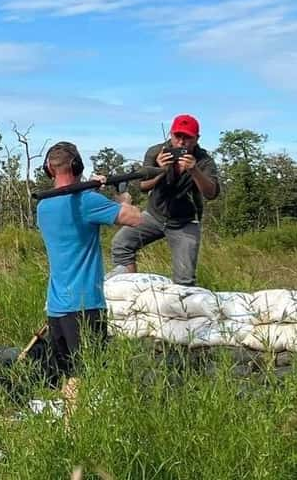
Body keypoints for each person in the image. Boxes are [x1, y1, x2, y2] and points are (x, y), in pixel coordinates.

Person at [36, 142, 143, 407]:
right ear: (77, 167)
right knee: (84, 378)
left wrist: (93, 190)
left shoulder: (44, 206)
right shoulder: (87, 201)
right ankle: (75, 437)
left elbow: (71, 209)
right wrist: (122, 198)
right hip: (85, 304)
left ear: (50, 169)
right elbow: (134, 218)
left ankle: (69, 429)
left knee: (69, 376)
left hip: (58, 306)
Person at [111, 114, 220, 286]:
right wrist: (161, 170)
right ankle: (130, 290)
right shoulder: (156, 152)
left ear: (197, 139)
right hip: (155, 215)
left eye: (187, 138)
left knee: (185, 280)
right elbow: (143, 186)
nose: (181, 142)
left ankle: (183, 307)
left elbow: (211, 193)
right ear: (171, 134)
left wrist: (194, 171)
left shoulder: (204, 160)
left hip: (185, 222)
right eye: (178, 136)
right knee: (121, 243)